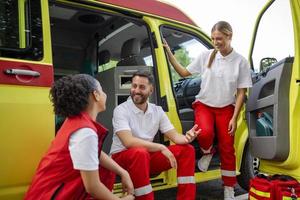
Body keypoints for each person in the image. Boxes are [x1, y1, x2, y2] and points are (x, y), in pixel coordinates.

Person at [163, 21, 252, 200]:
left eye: (219, 38)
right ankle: (208, 151)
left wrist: (234, 118)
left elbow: (242, 92)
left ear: (229, 36)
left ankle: (229, 188)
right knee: (204, 133)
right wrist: (168, 53)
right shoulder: (206, 56)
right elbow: (183, 73)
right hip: (204, 105)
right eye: (212, 38)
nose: (215, 42)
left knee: (228, 148)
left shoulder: (240, 62)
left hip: (227, 108)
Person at [25, 74, 134, 200]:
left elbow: (94, 153)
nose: (105, 94)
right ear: (96, 95)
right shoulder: (85, 132)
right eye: (102, 91)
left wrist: (122, 172)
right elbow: (93, 187)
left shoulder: (76, 122)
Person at [109, 71, 200, 200]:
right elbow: (128, 142)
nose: (136, 90)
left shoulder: (157, 111)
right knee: (140, 153)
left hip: (145, 157)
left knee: (187, 150)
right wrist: (161, 147)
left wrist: (186, 138)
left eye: (142, 87)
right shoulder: (121, 110)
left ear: (151, 90)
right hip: (121, 159)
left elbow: (174, 136)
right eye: (134, 86)